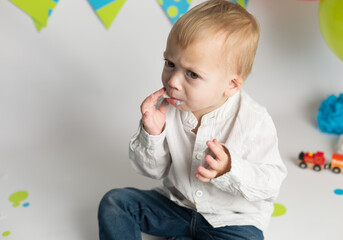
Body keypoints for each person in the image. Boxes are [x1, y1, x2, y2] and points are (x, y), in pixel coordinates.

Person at [98, 0, 287, 239]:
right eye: (170, 64)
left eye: (192, 74)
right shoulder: (166, 109)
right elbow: (152, 171)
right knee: (116, 202)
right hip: (178, 207)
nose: (173, 81)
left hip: (232, 221)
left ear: (231, 85)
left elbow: (270, 185)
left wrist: (230, 169)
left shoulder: (254, 121)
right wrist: (152, 134)